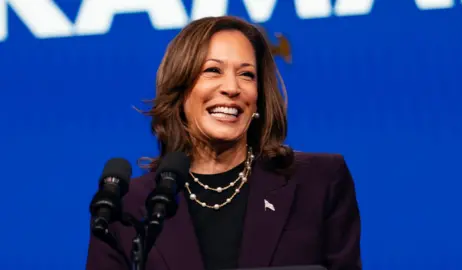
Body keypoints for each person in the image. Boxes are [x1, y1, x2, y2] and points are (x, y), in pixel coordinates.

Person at [86, 16, 361, 270]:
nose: (232, 88)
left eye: (246, 75)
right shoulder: (127, 207)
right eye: (213, 70)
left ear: (258, 98)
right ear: (181, 91)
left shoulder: (319, 181)